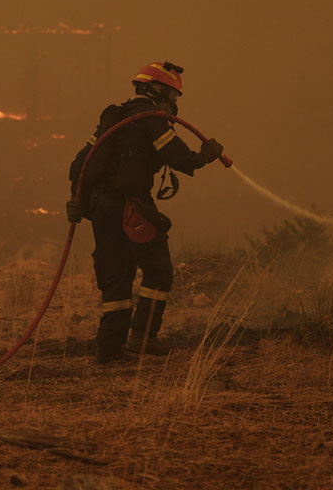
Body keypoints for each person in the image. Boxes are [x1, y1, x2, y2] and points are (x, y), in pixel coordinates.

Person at [66, 61, 224, 365]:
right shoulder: (152, 120)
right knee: (159, 270)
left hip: (100, 208)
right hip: (130, 207)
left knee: (116, 278)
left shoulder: (114, 118)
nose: (174, 103)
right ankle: (142, 337)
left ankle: (107, 350)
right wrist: (207, 155)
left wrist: (76, 202)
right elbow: (181, 159)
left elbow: (80, 164)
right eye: (173, 95)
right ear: (157, 90)